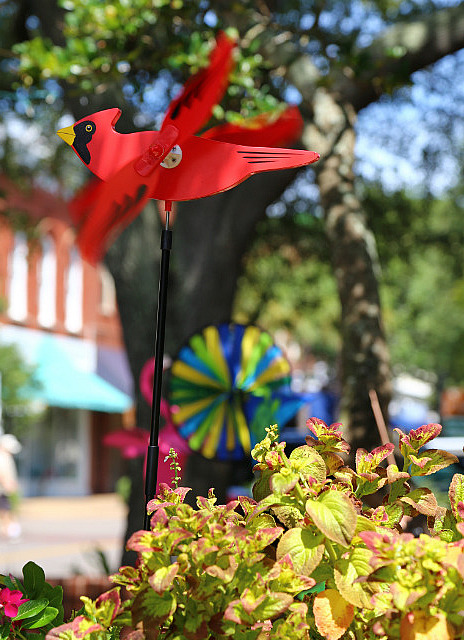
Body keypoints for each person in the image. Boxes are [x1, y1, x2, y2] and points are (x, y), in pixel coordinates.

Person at [0, 433, 22, 540]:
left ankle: (7, 529)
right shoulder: (2, 457)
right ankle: (6, 529)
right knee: (5, 510)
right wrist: (7, 484)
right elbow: (2, 474)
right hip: (3, 490)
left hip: (6, 489)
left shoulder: (6, 457)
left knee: (6, 509)